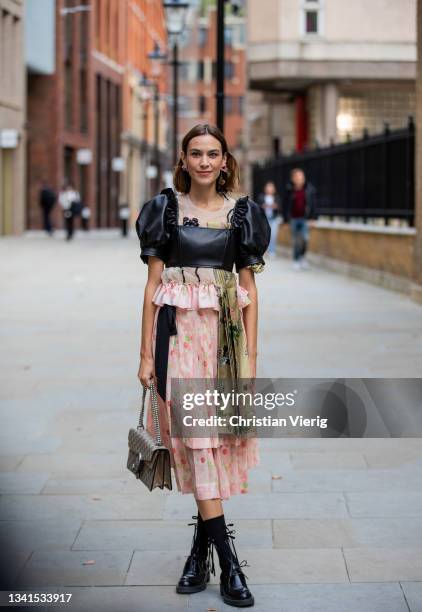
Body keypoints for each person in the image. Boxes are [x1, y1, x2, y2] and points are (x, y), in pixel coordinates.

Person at [135, 123, 271, 608]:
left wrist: (250, 363)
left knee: (210, 446)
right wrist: (146, 353)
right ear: (184, 158)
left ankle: (200, 550)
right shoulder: (165, 210)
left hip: (223, 346)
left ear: (226, 160)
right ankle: (229, 561)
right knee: (195, 442)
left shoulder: (243, 216)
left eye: (214, 154)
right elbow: (153, 291)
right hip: (177, 342)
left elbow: (251, 293)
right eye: (197, 153)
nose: (206, 162)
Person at [283, 168, 318, 270]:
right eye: (298, 177)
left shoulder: (309, 188)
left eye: (302, 177)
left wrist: (313, 218)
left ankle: (302, 257)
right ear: (293, 178)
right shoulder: (289, 189)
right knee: (296, 240)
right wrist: (285, 220)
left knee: (305, 239)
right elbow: (285, 205)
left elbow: (313, 204)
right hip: (293, 219)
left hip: (305, 218)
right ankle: (296, 260)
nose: (300, 179)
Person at [256, 181, 282, 257]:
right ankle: (263, 250)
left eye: (271, 187)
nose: (269, 189)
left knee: (273, 235)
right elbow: (257, 207)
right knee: (264, 235)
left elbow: (280, 207)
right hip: (264, 219)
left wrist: (275, 206)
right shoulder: (261, 196)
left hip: (273, 218)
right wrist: (263, 206)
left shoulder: (276, 197)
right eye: (268, 187)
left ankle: (272, 251)